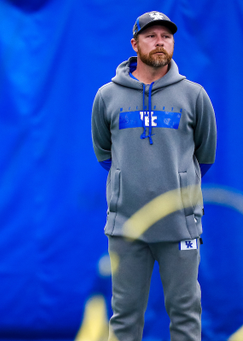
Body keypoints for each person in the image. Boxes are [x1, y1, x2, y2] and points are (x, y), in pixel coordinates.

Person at [91, 11, 217, 341]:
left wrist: (175, 184)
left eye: (166, 36)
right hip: (127, 227)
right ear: (135, 44)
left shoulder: (194, 96)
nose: (159, 41)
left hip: (180, 226)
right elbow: (105, 154)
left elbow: (204, 157)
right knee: (125, 316)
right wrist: (130, 182)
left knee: (186, 312)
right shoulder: (107, 96)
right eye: (151, 35)